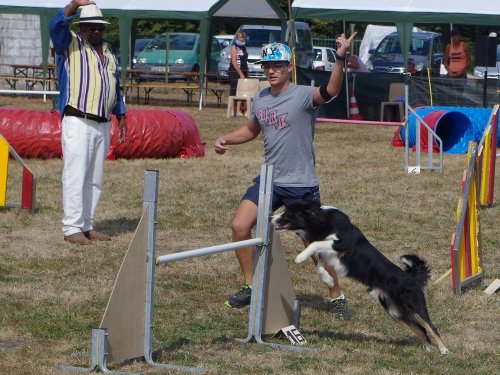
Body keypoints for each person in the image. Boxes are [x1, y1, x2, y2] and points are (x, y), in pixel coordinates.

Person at [214, 33, 357, 320]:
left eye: (277, 65)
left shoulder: (303, 95)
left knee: (313, 245)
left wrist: (340, 58)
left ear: (289, 66)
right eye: (267, 65)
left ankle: (335, 294)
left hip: (301, 184)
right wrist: (226, 139)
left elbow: (331, 91)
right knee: (240, 226)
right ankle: (251, 285)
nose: (272, 70)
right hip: (269, 181)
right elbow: (252, 130)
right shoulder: (262, 98)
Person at [50, 1, 127, 246]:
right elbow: (56, 26)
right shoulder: (69, 44)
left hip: (102, 122)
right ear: (81, 27)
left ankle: (86, 225)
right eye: (89, 27)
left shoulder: (109, 53)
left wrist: (121, 113)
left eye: (98, 27)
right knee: (76, 174)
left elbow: (115, 85)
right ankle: (71, 227)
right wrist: (73, 5)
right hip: (77, 119)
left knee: (95, 178)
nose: (94, 31)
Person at [227, 31, 249, 116]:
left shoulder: (244, 47)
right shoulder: (234, 47)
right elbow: (234, 62)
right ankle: (232, 110)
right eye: (240, 37)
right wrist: (240, 74)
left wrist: (246, 73)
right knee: (234, 90)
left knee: (241, 90)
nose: (242, 39)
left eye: (243, 37)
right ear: (237, 38)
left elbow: (245, 60)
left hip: (244, 70)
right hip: (234, 71)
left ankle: (239, 110)